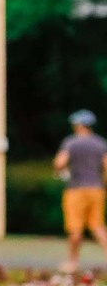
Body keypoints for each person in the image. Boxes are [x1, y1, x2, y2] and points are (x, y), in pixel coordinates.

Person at [53, 109, 107, 273]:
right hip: (96, 189)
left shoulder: (71, 143)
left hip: (75, 189)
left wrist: (64, 169)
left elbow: (59, 163)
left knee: (75, 228)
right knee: (98, 226)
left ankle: (73, 262)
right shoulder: (100, 143)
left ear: (78, 125)